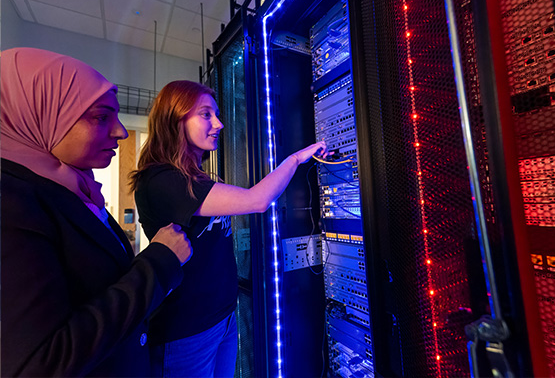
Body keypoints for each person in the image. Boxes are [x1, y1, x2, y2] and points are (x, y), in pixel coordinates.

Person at [1, 47, 193, 377]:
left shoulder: (72, 188)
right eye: (101, 117)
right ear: (40, 114)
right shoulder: (11, 203)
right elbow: (40, 363)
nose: (120, 131)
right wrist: (159, 262)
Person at [130, 80, 328, 377]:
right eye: (206, 114)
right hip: (186, 330)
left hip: (221, 318)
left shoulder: (193, 178)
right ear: (174, 119)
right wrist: (296, 159)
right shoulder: (161, 181)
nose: (219, 124)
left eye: (217, 114)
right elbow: (257, 200)